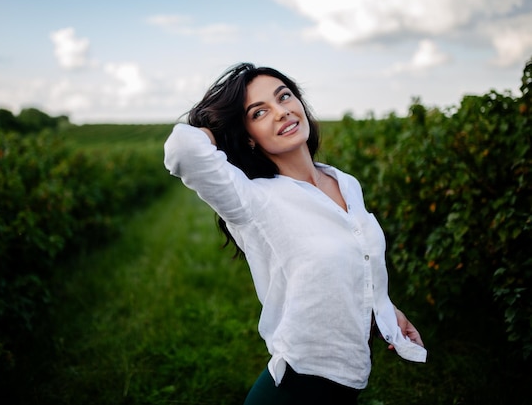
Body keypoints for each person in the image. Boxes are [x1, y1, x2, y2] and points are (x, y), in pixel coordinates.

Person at [163, 62, 427, 404]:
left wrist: (385, 311)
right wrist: (219, 129)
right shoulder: (254, 200)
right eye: (259, 112)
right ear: (248, 137)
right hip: (296, 390)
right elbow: (183, 149)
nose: (281, 112)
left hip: (347, 387)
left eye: (284, 97)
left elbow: (356, 258)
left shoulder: (344, 182)